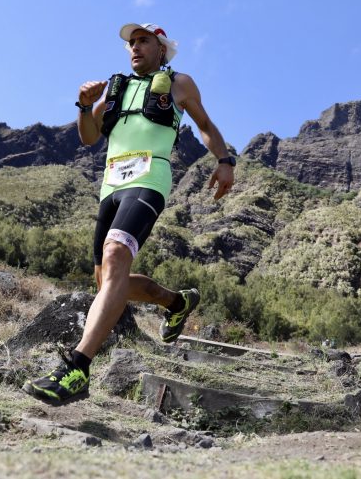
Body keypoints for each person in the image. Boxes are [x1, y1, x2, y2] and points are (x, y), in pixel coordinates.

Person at [22, 22, 235, 405]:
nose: (135, 47)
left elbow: (204, 125)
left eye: (143, 42)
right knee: (107, 282)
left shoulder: (179, 83)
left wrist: (224, 159)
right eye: (131, 43)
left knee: (117, 254)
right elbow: (88, 136)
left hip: (150, 176)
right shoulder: (115, 87)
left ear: (161, 49)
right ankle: (175, 302)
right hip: (111, 185)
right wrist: (85, 105)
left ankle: (76, 367)